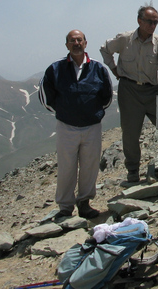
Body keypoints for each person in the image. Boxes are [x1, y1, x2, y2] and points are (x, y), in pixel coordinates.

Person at [39, 30, 112, 219]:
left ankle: (85, 203)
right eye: (72, 41)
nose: (76, 43)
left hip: (92, 127)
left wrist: (93, 112)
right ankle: (65, 207)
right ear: (67, 46)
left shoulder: (97, 68)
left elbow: (107, 96)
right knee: (66, 167)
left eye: (79, 40)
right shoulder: (55, 69)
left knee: (90, 166)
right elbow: (46, 96)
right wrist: (64, 111)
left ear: (86, 43)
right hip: (66, 127)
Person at [100, 5, 158, 184]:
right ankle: (133, 170)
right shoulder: (124, 39)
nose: (153, 25)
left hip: (153, 91)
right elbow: (104, 49)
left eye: (156, 22)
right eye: (149, 21)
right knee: (131, 133)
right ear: (139, 21)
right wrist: (113, 69)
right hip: (129, 91)